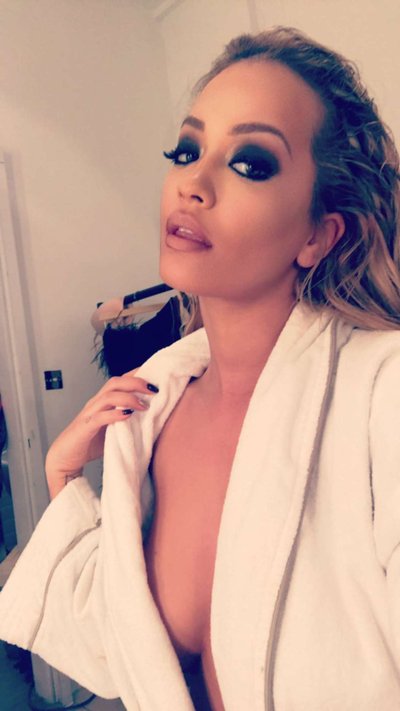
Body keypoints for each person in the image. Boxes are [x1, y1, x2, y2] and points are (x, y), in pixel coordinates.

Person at [0, 26, 400, 711]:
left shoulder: (382, 394)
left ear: (318, 234)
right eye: (187, 151)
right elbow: (118, 651)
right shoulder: (154, 410)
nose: (193, 183)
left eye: (250, 163)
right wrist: (63, 477)